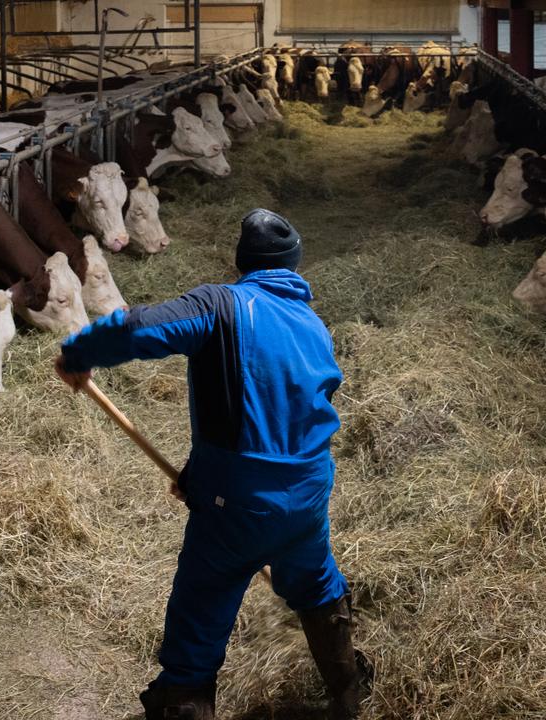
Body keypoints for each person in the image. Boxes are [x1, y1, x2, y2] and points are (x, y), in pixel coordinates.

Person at [55, 208, 372, 720]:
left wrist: (78, 352)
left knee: (199, 616)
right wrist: (202, 475)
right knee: (316, 585)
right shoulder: (313, 325)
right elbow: (280, 416)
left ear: (241, 262)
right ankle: (348, 690)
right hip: (308, 492)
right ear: (293, 265)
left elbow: (138, 327)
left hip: (238, 503)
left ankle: (185, 698)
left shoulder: (221, 305)